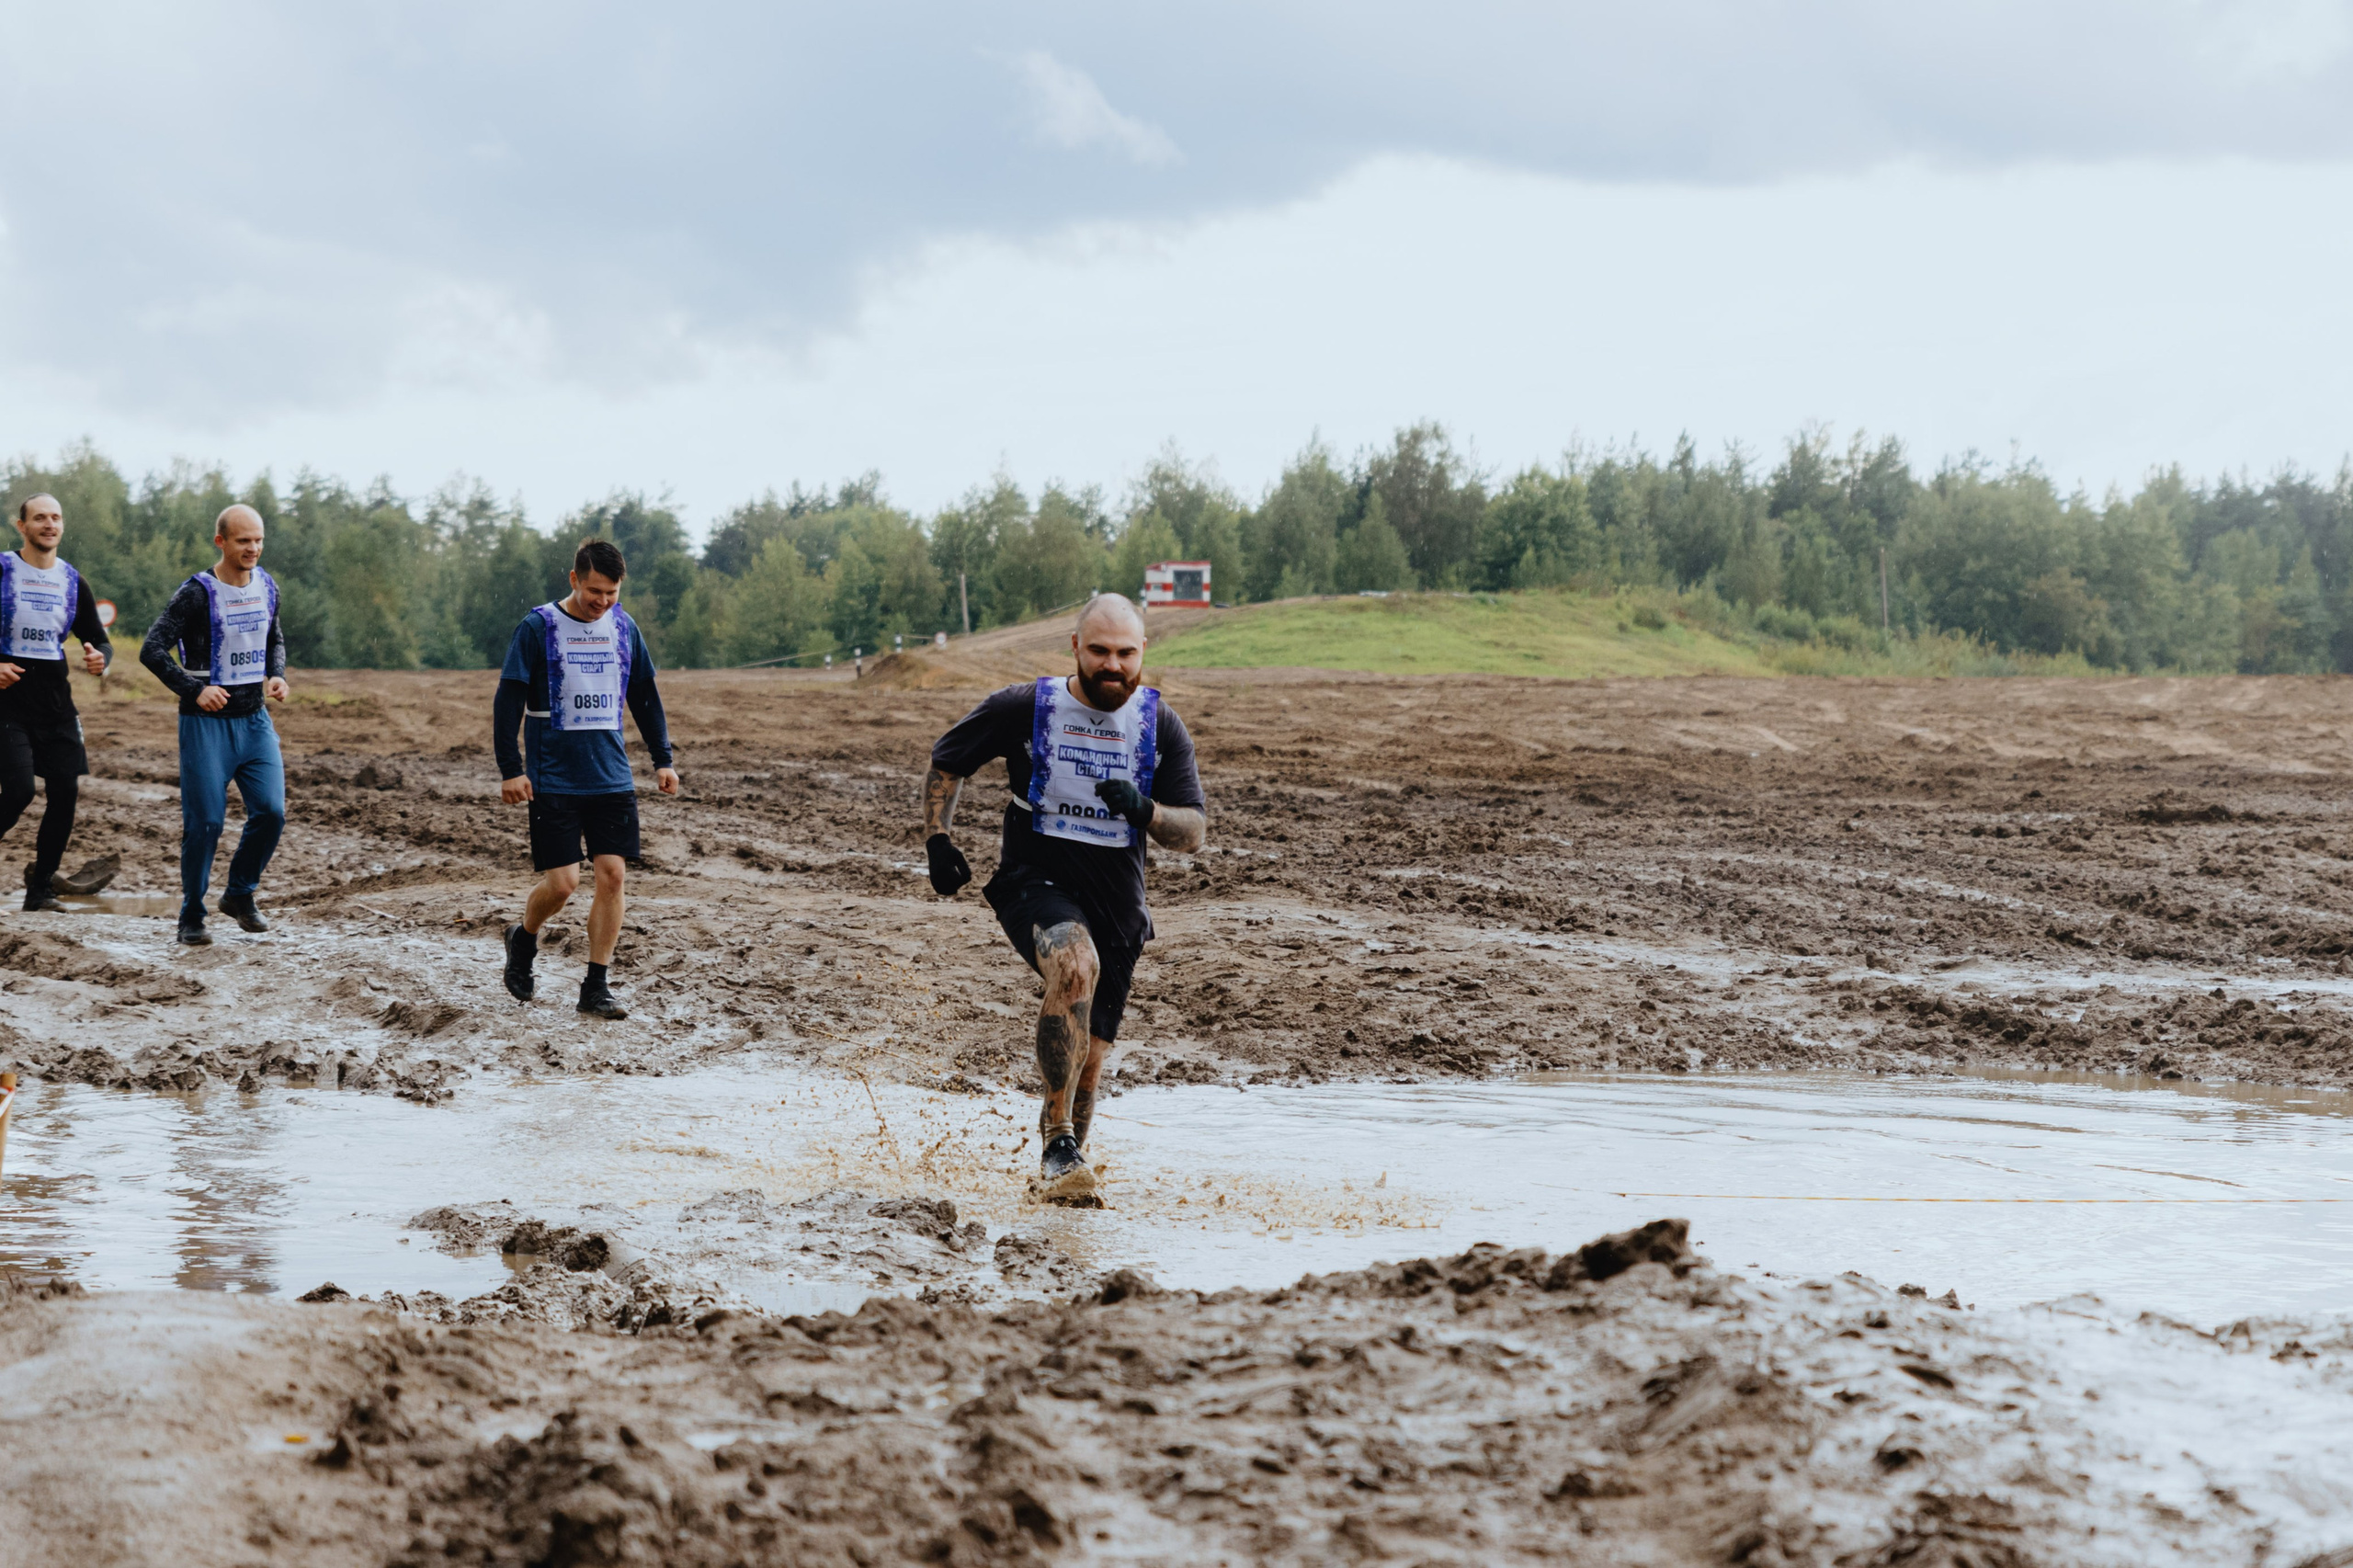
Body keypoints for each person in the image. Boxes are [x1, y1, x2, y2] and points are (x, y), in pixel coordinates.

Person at [923, 593, 1207, 1203]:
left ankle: (1063, 1183)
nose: (1112, 665)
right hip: (1035, 881)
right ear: (1075, 647)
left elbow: (1193, 833)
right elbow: (949, 760)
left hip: (1120, 906)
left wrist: (1146, 810)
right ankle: (1056, 1138)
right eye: (1099, 651)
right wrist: (937, 839)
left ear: (1143, 653)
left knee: (1091, 1058)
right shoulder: (1025, 707)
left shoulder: (1160, 726)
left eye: (1125, 653)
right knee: (1076, 966)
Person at [493, 538, 678, 1019]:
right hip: (553, 776)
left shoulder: (624, 627)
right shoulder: (538, 627)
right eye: (595, 591)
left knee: (613, 875)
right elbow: (508, 699)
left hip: (611, 776)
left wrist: (663, 758)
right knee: (563, 885)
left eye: (612, 593)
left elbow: (644, 695)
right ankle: (523, 938)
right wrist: (511, 768)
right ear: (574, 579)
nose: (603, 601)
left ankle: (596, 986)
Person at [140, 504, 289, 947]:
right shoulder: (196, 593)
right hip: (205, 726)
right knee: (205, 823)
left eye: (259, 540)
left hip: (254, 721)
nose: (253, 548)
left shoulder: (267, 586)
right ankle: (191, 914)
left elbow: (274, 637)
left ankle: (240, 893)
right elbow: (152, 649)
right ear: (220, 541)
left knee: (272, 813)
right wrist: (194, 689)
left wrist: (276, 674)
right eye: (244, 541)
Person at [0, 494, 115, 911]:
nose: (49, 524)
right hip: (7, 702)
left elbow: (99, 638)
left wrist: (102, 659)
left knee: (65, 793)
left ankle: (40, 891)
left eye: (56, 518)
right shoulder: (3, 569)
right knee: (19, 792)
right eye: (39, 518)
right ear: (21, 526)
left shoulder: (72, 580)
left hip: (55, 703)